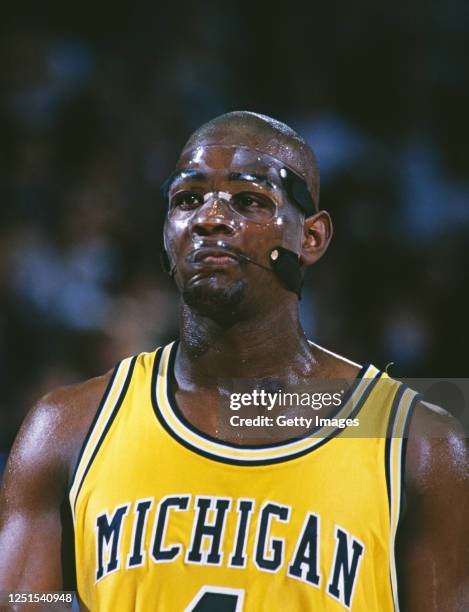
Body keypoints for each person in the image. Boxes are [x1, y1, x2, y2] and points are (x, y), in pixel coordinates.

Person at [0, 111, 468, 611]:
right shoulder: (69, 427)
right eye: (187, 199)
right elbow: (27, 598)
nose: (209, 218)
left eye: (249, 200)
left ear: (311, 238)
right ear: (166, 233)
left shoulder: (416, 442)